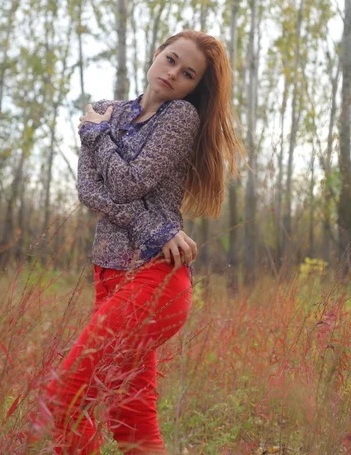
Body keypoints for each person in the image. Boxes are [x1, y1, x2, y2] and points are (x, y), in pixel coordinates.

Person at [44, 30, 246, 454]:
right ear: (157, 54)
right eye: (171, 59)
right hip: (108, 277)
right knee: (131, 421)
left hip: (156, 279)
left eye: (188, 74)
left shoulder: (178, 118)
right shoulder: (104, 110)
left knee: (65, 396)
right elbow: (88, 190)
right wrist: (155, 227)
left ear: (194, 87)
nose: (174, 74)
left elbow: (126, 181)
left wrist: (97, 138)